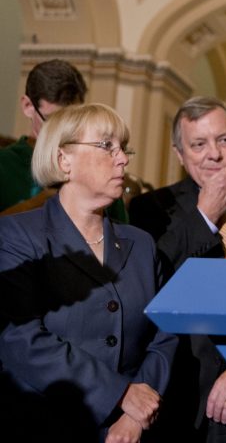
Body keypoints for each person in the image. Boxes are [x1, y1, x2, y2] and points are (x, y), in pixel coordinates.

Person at [0, 103, 177, 442]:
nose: (123, 158)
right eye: (106, 146)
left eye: (124, 148)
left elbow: (164, 334)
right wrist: (121, 395)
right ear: (63, 160)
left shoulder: (141, 244)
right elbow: (20, 340)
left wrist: (135, 417)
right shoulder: (16, 235)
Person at [129, 96, 226, 442]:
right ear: (180, 155)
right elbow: (154, 287)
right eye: (198, 144)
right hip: (180, 394)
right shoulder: (150, 209)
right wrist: (205, 216)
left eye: (223, 140)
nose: (213, 153)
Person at [0, 59, 87, 214]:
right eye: (53, 120)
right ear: (28, 107)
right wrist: (35, 205)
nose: (64, 132)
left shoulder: (94, 168)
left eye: (73, 120)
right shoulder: (4, 165)